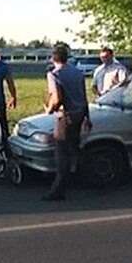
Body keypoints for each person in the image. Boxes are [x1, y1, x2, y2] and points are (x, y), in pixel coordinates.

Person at [43, 45, 91, 201]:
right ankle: (85, 179)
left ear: (53, 58)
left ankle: (58, 189)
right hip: (79, 114)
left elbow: (56, 98)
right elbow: (84, 96)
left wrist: (49, 109)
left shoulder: (54, 74)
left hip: (65, 116)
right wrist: (87, 117)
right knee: (74, 148)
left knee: (61, 153)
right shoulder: (78, 73)